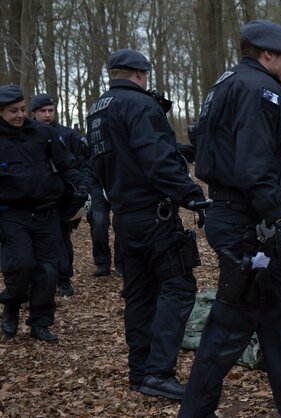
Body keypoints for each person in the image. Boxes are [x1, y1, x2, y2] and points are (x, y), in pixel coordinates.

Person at [178, 21, 281, 418]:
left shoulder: (227, 83)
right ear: (267, 54)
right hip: (249, 225)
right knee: (229, 328)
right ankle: (194, 412)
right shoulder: (257, 90)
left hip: (244, 220)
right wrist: (278, 219)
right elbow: (254, 161)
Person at [86, 49, 206, 400]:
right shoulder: (141, 105)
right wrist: (193, 196)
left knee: (139, 295)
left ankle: (139, 373)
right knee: (179, 288)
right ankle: (158, 372)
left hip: (125, 218)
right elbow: (156, 162)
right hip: (155, 217)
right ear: (141, 74)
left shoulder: (97, 109)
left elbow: (122, 158)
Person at [0, 85, 86, 343]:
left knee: (49, 271)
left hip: (47, 213)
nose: (19, 115)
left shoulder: (43, 134)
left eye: (23, 109)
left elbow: (66, 165)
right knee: (22, 265)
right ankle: (12, 304)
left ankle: (41, 322)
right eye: (13, 111)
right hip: (11, 214)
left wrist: (80, 186)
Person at [29, 93, 92, 297]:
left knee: (62, 238)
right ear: (33, 113)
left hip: (63, 196)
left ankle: (64, 279)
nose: (47, 115)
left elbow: (81, 164)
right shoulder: (23, 136)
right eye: (42, 111)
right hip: (33, 198)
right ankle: (34, 284)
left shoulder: (68, 135)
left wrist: (82, 188)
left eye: (50, 110)